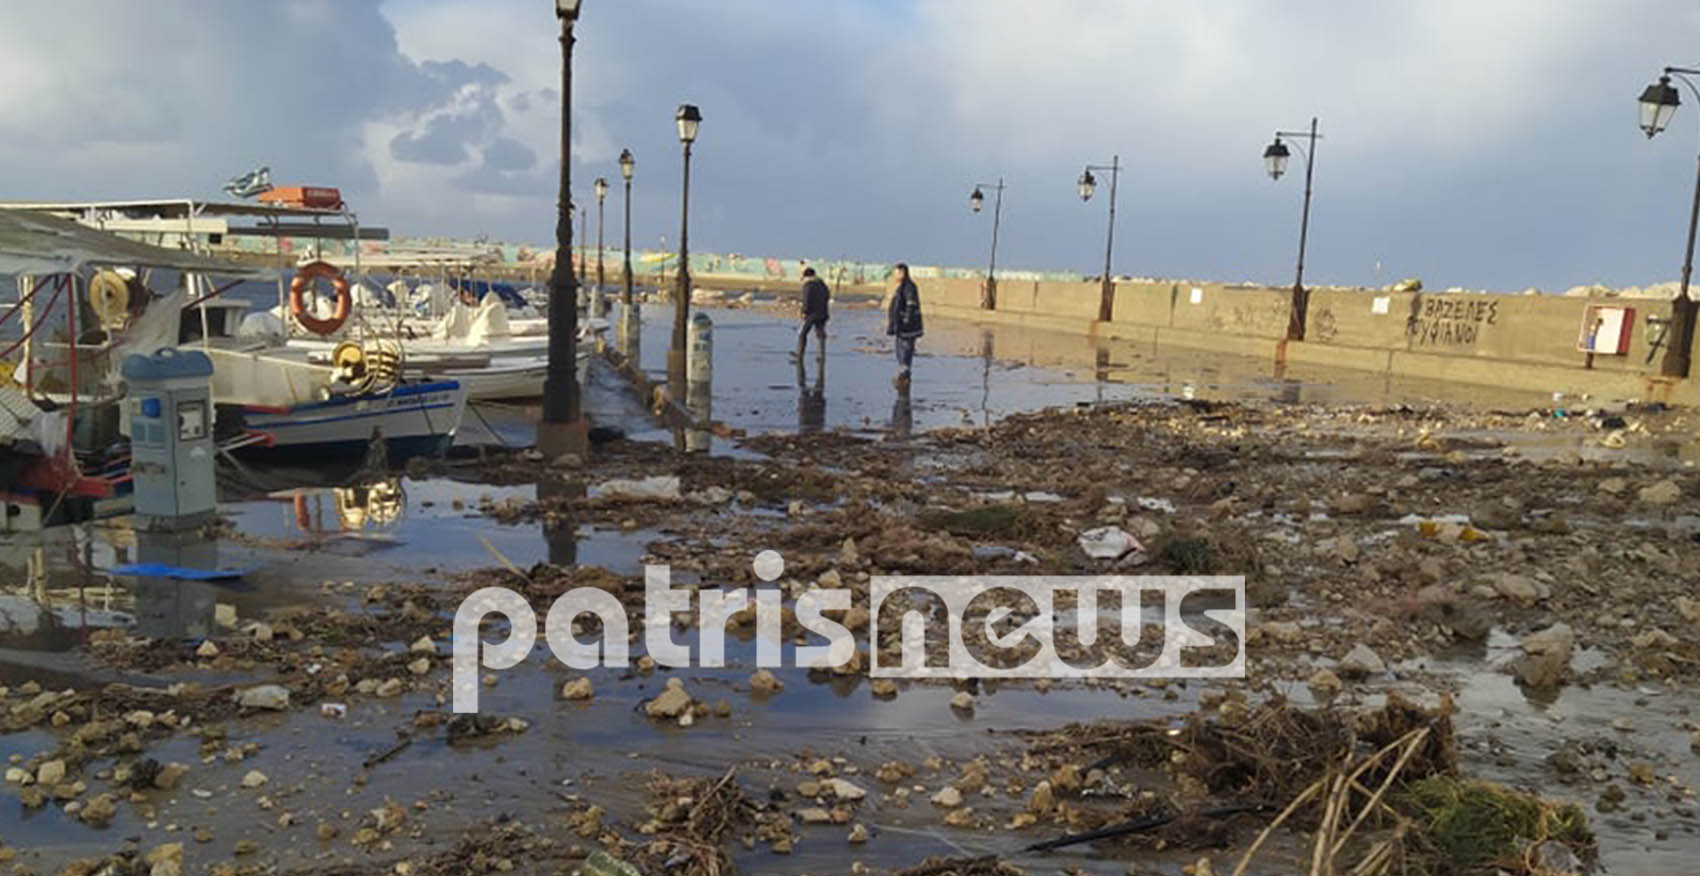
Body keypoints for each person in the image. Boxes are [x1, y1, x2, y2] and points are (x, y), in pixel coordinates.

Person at [886, 263, 923, 387]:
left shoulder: (909, 287)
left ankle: (904, 374)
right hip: (901, 326)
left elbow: (910, 305)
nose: (894, 276)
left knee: (905, 350)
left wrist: (906, 320)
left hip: (907, 328)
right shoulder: (902, 287)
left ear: (902, 272)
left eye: (896, 273)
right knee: (901, 350)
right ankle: (904, 375)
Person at [797, 267, 830, 360]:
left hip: (812, 314)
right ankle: (821, 356)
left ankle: (800, 356)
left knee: (803, 334)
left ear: (807, 276)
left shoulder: (808, 285)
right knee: (820, 334)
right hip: (823, 313)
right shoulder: (822, 284)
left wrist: (804, 312)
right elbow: (827, 296)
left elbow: (806, 300)